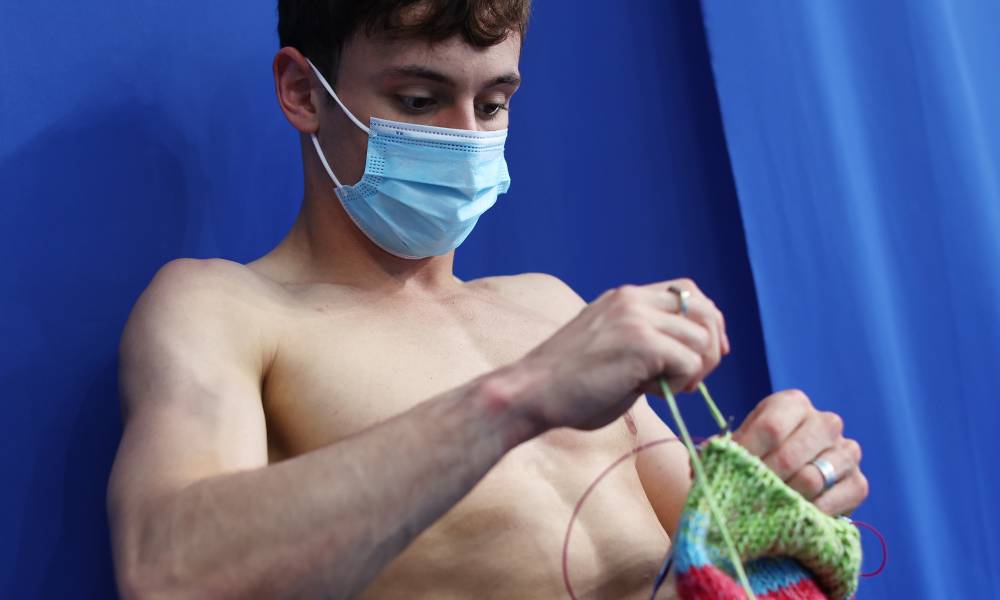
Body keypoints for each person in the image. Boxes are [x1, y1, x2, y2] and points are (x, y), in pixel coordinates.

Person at [106, 1, 868, 598]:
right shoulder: (227, 310)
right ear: (304, 91)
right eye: (419, 99)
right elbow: (170, 571)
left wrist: (782, 479)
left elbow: (715, 551)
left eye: (494, 103)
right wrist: (520, 396)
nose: (466, 137)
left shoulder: (550, 307)